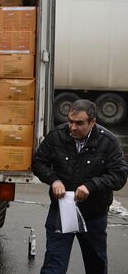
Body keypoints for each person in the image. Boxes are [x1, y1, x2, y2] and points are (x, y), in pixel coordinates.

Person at [32, 99, 128, 274]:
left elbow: (119, 175)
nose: (72, 127)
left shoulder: (107, 141)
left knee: (96, 265)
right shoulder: (57, 136)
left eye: (79, 123)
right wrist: (54, 180)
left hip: (93, 215)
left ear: (92, 122)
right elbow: (39, 162)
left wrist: (91, 186)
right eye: (70, 121)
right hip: (60, 211)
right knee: (54, 265)